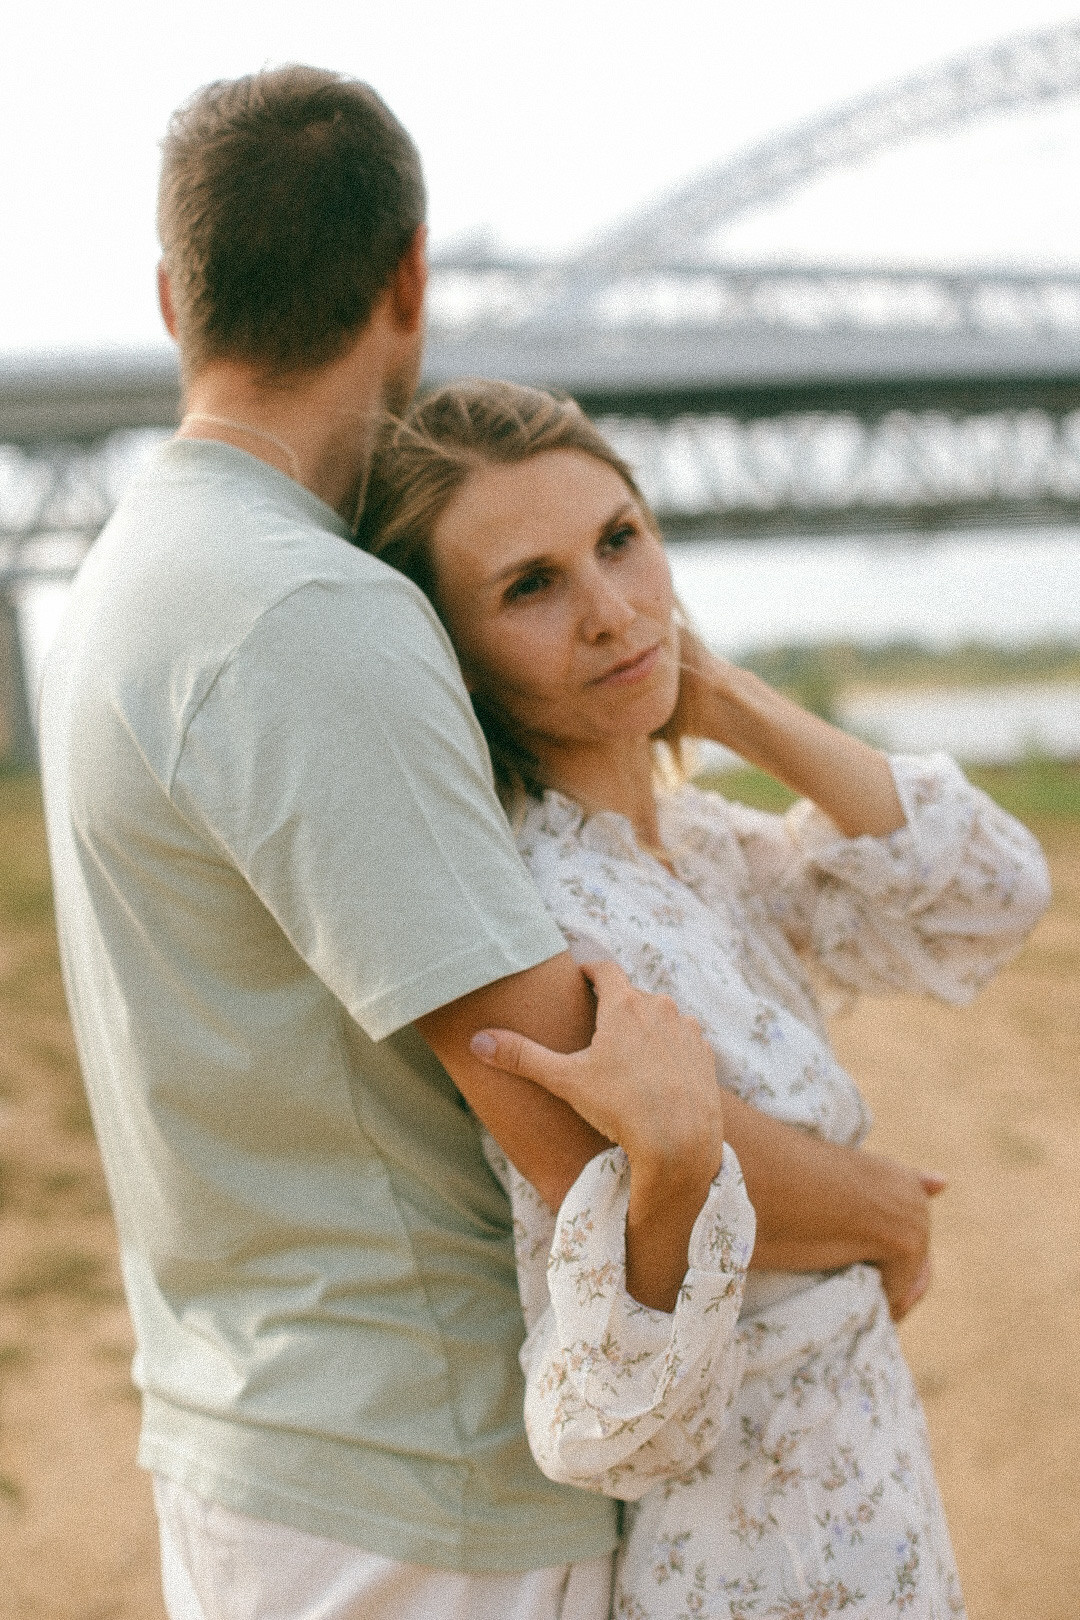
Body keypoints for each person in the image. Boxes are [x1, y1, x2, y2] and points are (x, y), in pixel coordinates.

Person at [39, 65, 958, 1620]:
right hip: (421, 1485)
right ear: (411, 277)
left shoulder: (132, 581)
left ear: (171, 295)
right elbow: (578, 1115)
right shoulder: (311, 612)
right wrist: (875, 1212)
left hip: (259, 1437)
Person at [358, 380, 1052, 1619]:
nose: (614, 613)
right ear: (450, 655)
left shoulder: (701, 844)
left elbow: (991, 892)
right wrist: (875, 1210)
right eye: (533, 586)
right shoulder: (539, 921)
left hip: (875, 1517)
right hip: (744, 1562)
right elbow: (612, 1393)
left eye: (621, 540)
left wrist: (719, 695)